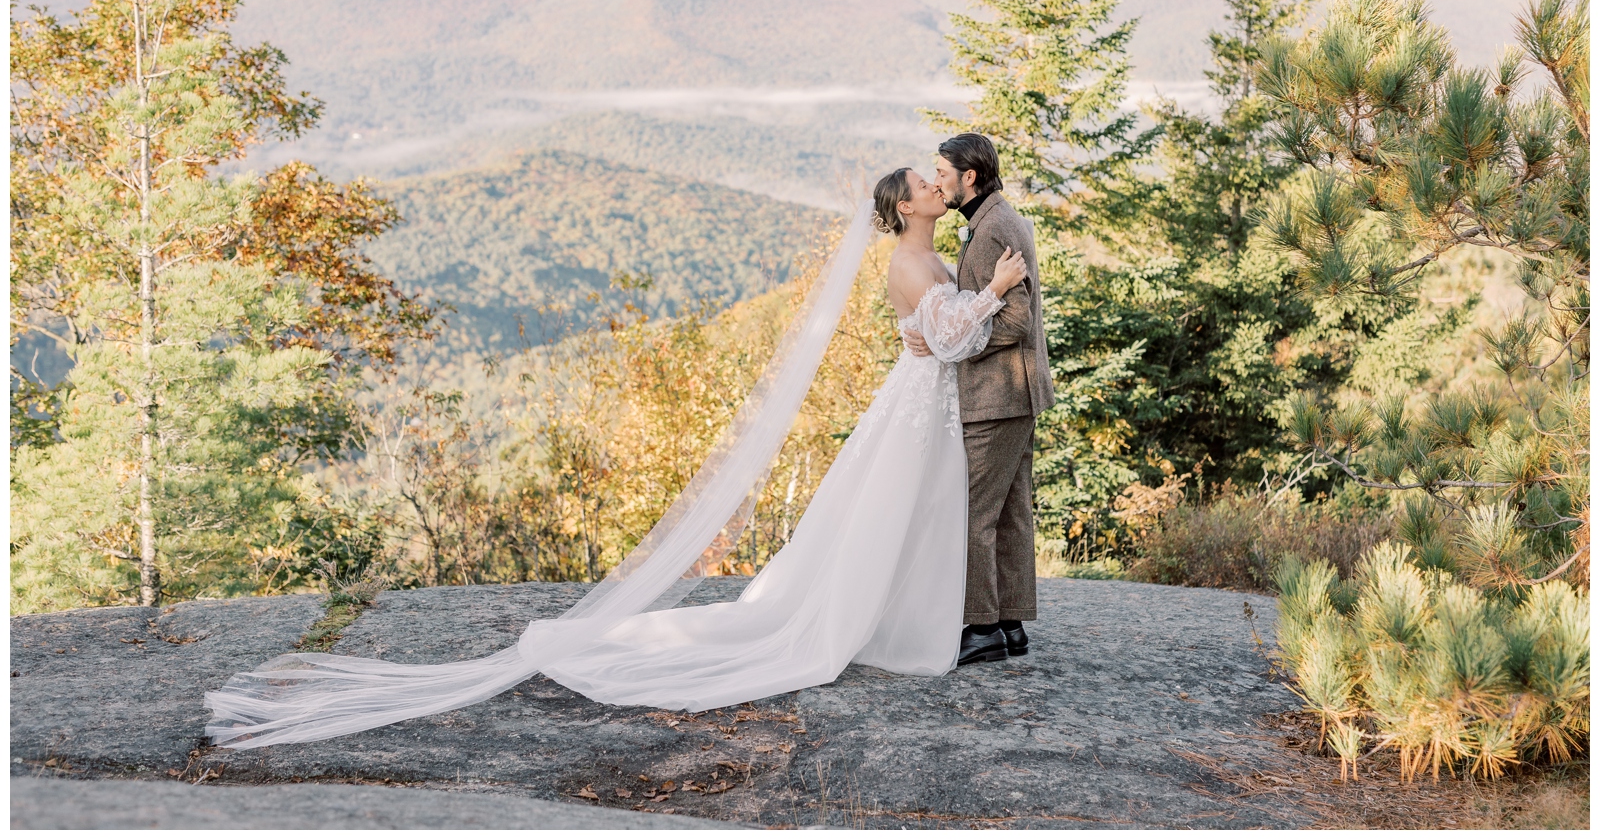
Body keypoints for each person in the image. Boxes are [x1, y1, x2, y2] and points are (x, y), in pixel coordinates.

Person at [205, 165, 1026, 747]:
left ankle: (910, 616)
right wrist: (991, 292)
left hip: (923, 407)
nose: (935, 185)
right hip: (920, 404)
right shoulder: (909, 260)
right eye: (923, 182)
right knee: (896, 512)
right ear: (903, 207)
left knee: (912, 515)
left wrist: (980, 297)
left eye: (936, 179)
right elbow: (952, 335)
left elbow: (949, 333)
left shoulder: (928, 252)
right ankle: (886, 624)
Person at [904, 133, 1054, 666]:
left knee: (975, 513)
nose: (937, 178)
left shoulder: (991, 229)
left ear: (969, 177)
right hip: (1016, 392)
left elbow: (1015, 319)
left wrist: (952, 346)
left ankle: (982, 627)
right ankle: (1010, 622)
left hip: (999, 395)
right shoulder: (992, 221)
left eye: (942, 171)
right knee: (1011, 511)